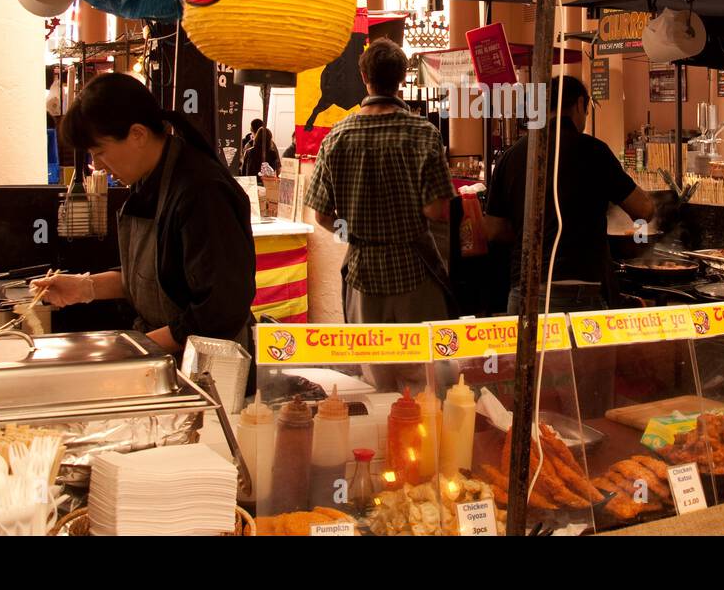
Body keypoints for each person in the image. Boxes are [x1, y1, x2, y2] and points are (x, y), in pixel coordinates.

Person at [32, 73, 256, 354]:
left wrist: (133, 349)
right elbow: (156, 278)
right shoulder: (148, 178)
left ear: (137, 134)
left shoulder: (202, 191)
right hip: (168, 355)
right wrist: (84, 287)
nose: (97, 165)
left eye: (100, 152)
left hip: (210, 366)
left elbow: (221, 310)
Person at [305, 38, 455, 324]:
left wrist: (356, 235)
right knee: (421, 364)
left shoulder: (336, 137)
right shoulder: (423, 133)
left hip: (362, 272)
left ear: (363, 77)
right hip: (416, 271)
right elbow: (437, 211)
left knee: (370, 364)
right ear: (401, 77)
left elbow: (322, 216)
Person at [484, 75, 655, 312]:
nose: (585, 118)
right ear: (578, 104)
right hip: (578, 292)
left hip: (524, 291)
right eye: (587, 111)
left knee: (529, 352)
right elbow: (644, 209)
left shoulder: (512, 155)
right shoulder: (594, 151)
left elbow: (493, 230)